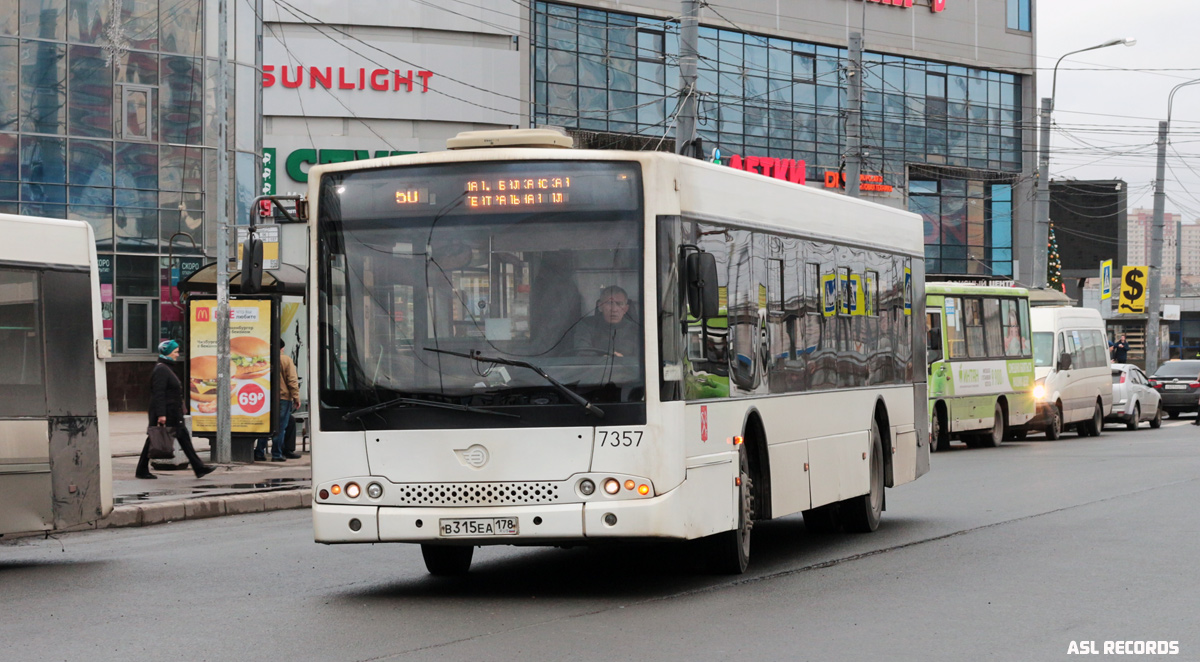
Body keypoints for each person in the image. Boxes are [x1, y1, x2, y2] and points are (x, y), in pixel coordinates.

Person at [137, 340, 217, 479]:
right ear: (167, 352)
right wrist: (161, 414)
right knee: (154, 439)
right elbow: (159, 393)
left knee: (183, 438)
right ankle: (141, 470)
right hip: (167, 413)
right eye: (175, 351)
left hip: (173, 411)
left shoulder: (166, 368)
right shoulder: (161, 369)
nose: (177, 354)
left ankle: (199, 468)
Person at [255, 341, 300, 461]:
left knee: (266, 426)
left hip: (266, 398)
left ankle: (259, 452)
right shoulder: (286, 360)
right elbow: (292, 380)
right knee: (280, 427)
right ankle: (276, 454)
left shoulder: (264, 360)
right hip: (283, 398)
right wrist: (296, 397)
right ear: (282, 348)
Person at [572, 285, 640, 357]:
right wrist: (602, 360)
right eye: (609, 303)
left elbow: (642, 359)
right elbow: (582, 353)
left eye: (619, 304)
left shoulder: (635, 329)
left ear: (626, 309)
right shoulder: (586, 325)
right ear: (600, 306)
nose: (614, 309)